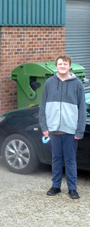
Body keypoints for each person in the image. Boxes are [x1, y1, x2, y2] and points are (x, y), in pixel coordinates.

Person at [39, 55, 86, 200]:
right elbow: (43, 106)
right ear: (56, 66)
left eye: (65, 64)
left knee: (70, 160)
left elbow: (82, 109)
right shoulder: (49, 83)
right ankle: (56, 186)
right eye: (60, 64)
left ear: (69, 66)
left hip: (70, 130)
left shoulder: (77, 84)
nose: (62, 66)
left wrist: (80, 130)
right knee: (56, 159)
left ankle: (72, 189)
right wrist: (44, 125)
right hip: (53, 129)